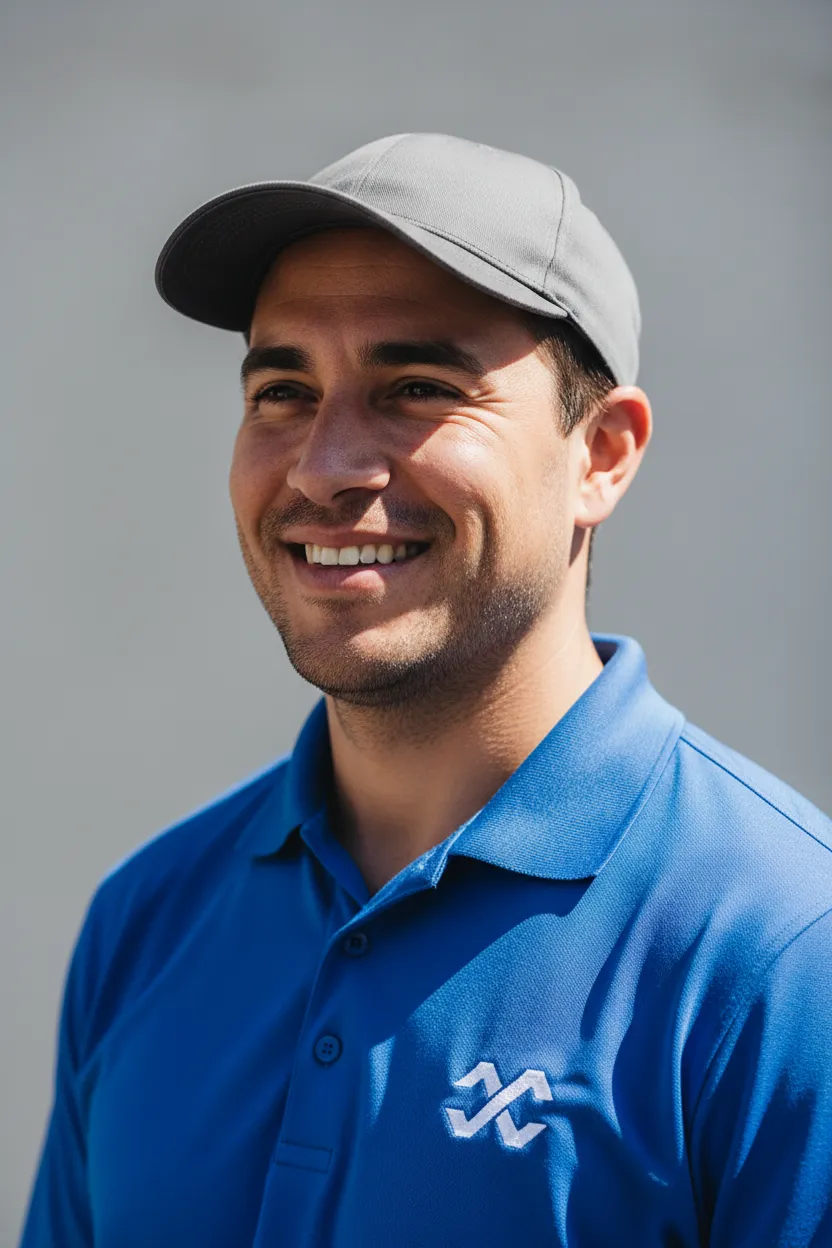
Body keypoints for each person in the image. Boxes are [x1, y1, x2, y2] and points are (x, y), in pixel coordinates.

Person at [21, 133, 832, 1248]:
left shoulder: (784, 952)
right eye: (283, 391)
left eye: (415, 388)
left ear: (600, 453)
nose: (322, 466)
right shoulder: (148, 917)